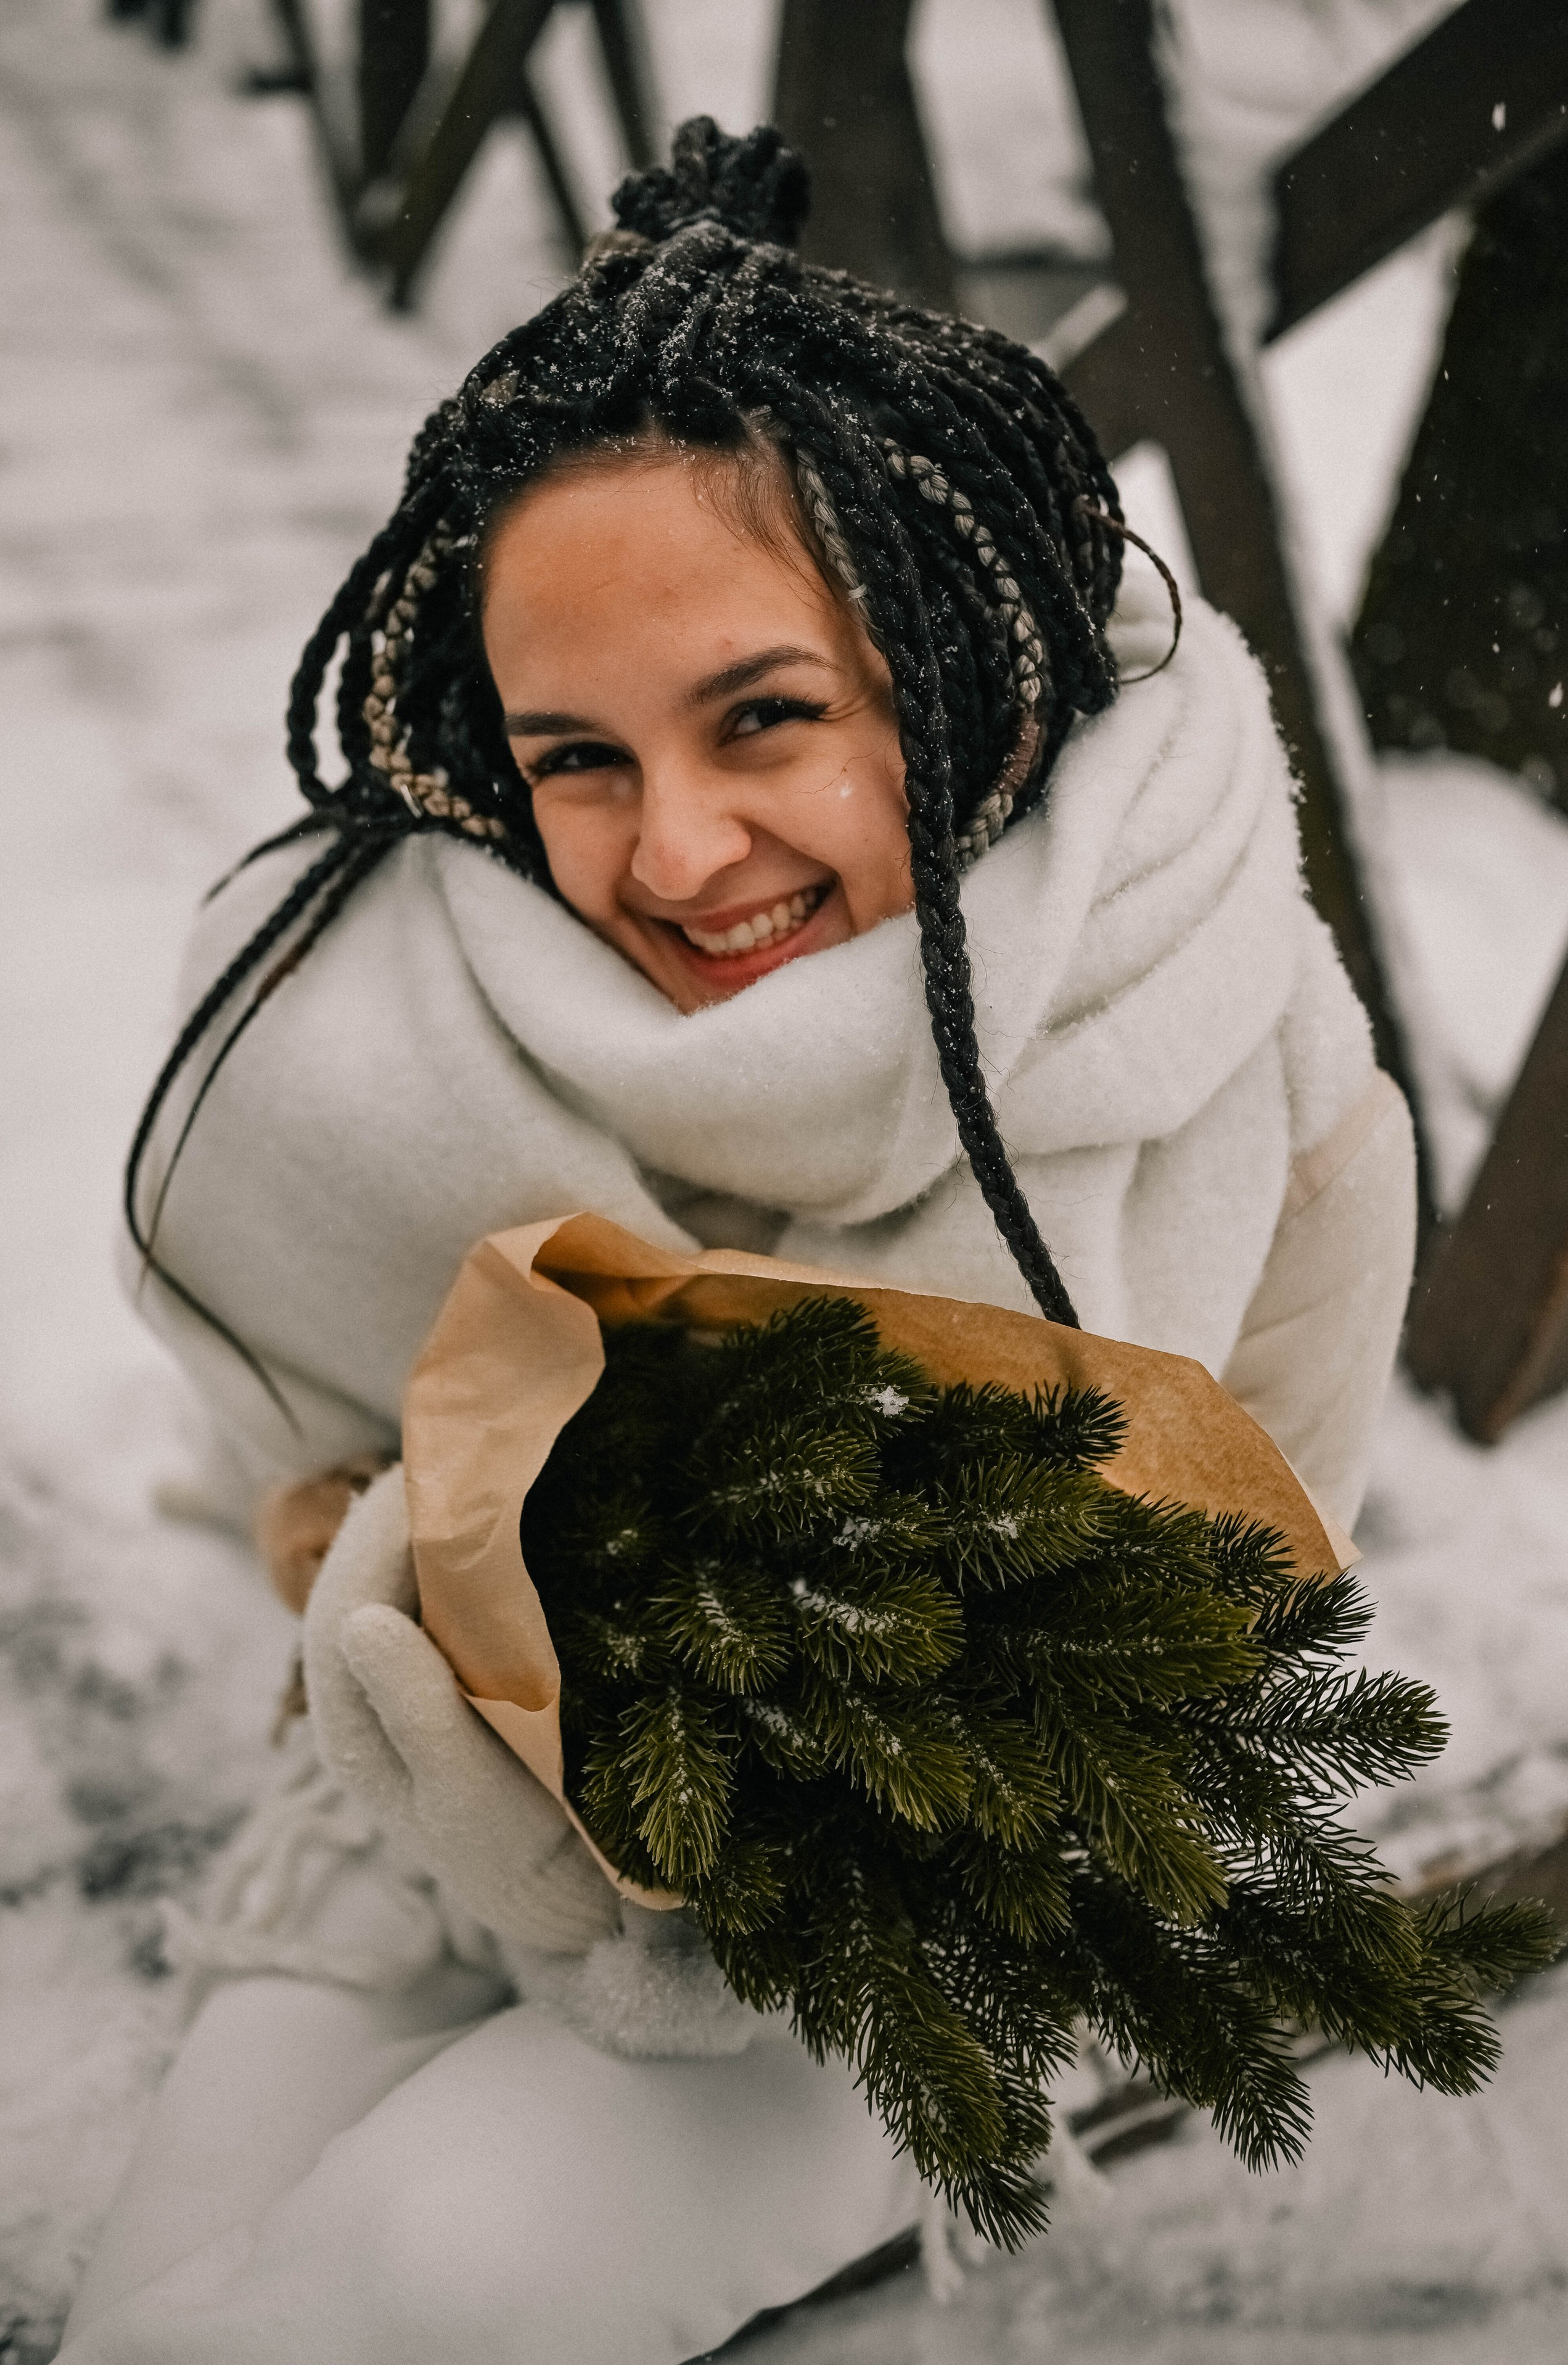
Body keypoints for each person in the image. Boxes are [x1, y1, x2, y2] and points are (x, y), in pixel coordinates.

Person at [60, 119, 1415, 2363]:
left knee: (390, 2297)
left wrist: (846, 1729)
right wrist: (434, 1581)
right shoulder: (381, 1021)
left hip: (901, 1931)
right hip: (419, 1814)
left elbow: (1233, 1639)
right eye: (574, 753)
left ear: (955, 652)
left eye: (767, 715)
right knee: (153, 2311)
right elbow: (295, 1478)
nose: (678, 851)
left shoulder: (1223, 1053)